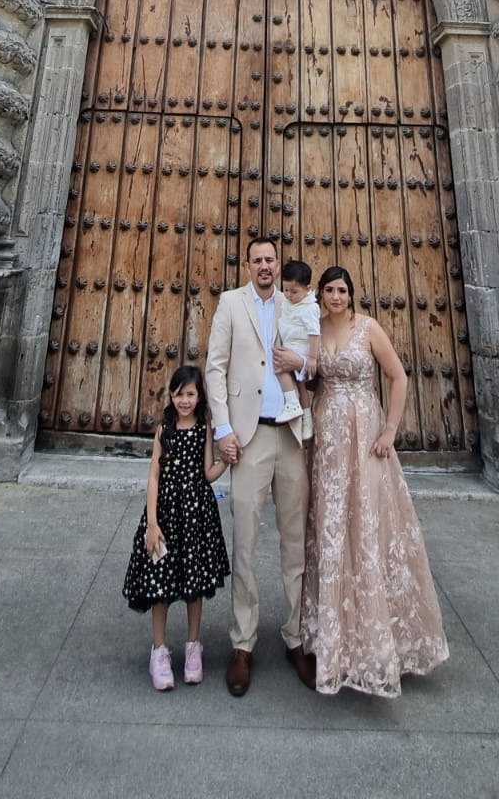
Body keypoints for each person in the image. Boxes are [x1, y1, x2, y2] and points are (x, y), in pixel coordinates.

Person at [301, 264, 450, 698]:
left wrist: (389, 429)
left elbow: (398, 375)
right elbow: (310, 386)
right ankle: (335, 642)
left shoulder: (368, 328)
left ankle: (379, 642)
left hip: (365, 438)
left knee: (367, 527)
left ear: (351, 293)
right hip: (328, 439)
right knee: (332, 529)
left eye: (342, 289)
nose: (335, 296)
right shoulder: (313, 330)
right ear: (320, 295)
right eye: (328, 290)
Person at [205, 237, 315, 697]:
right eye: (258, 260)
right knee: (245, 543)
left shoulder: (300, 303)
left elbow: (315, 358)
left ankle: (297, 637)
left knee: (296, 542)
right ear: (247, 265)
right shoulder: (231, 304)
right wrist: (223, 430)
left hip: (291, 435)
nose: (266, 266)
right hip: (247, 441)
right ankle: (242, 643)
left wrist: (303, 364)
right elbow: (215, 367)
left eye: (272, 259)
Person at [122, 364, 229, 691]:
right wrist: (151, 524)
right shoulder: (164, 429)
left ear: (199, 397)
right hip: (166, 516)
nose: (185, 400)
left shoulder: (204, 428)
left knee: (194, 584)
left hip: (196, 515)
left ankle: (193, 647)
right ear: (171, 395)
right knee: (161, 586)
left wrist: (228, 459)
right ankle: (160, 651)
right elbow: (154, 475)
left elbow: (208, 473)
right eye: (179, 393)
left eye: (191, 394)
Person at [276, 259, 320, 439]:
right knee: (301, 387)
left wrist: (312, 358)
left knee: (280, 367)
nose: (288, 295)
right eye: (286, 290)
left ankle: (292, 404)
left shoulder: (309, 307)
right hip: (291, 343)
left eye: (294, 291)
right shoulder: (289, 302)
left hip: (299, 347)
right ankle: (307, 420)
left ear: (308, 289)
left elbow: (314, 333)